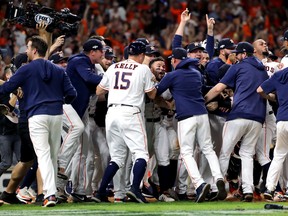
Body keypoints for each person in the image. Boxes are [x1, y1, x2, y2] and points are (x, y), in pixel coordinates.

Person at [0, 36, 77, 207]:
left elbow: (6, 88)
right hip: (56, 115)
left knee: (43, 156)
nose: (26, 50)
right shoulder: (58, 70)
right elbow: (72, 94)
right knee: (52, 156)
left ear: (34, 50)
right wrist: (57, 101)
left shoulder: (26, 69)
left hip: (36, 116)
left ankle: (49, 195)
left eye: (28, 47)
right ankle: (52, 193)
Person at [156, 47, 226, 203]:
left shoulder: (172, 75)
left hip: (186, 117)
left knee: (186, 152)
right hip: (202, 114)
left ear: (175, 60)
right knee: (208, 149)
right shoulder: (197, 73)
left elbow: (156, 93)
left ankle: (199, 184)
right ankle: (218, 178)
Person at [204, 42, 269, 202]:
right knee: (247, 154)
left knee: (225, 152)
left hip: (238, 115)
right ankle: (248, 189)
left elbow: (218, 88)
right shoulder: (263, 71)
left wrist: (204, 100)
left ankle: (216, 188)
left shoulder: (238, 67)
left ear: (244, 54)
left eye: (238, 53)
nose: (235, 56)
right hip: (258, 118)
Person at [94, 41, 156, 203]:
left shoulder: (114, 67)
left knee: (117, 158)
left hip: (112, 112)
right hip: (131, 112)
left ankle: (101, 192)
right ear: (142, 55)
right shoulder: (143, 68)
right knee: (141, 153)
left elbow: (99, 90)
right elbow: (152, 95)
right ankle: (135, 188)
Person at [65, 38, 103, 202]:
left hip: (80, 112)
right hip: (69, 110)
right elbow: (89, 78)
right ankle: (62, 187)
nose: (103, 53)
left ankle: (80, 190)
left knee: (83, 153)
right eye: (101, 50)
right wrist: (112, 78)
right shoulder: (80, 60)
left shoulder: (89, 63)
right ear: (93, 52)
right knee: (71, 152)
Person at [257, 66, 288, 201]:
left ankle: (270, 188)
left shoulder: (279, 75)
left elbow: (259, 90)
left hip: (281, 119)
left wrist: (272, 98)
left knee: (278, 155)